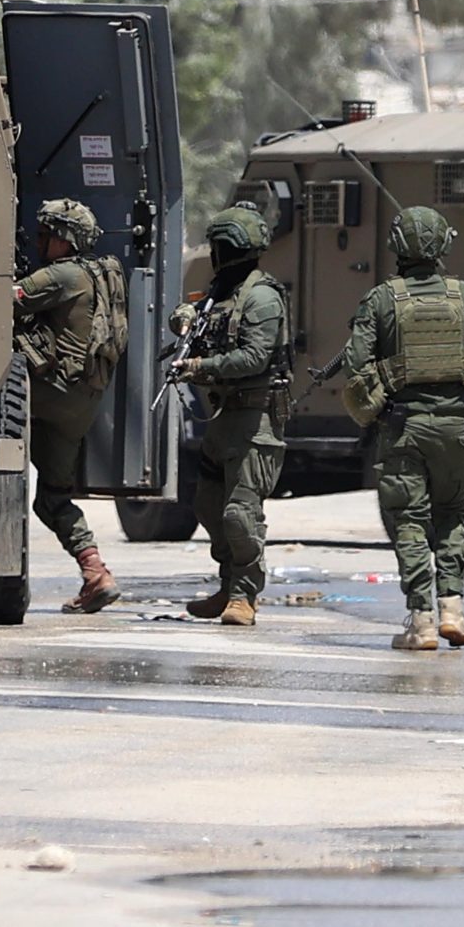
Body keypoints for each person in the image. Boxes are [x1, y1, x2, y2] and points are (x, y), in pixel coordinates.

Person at [343, 207, 464, 651]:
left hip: (404, 427)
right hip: (456, 426)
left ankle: (421, 621)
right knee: (451, 516)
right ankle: (453, 610)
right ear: (443, 245)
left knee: (408, 521)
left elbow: (354, 363)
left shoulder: (382, 299)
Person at [167, 202, 290, 627]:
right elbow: (196, 316)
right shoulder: (222, 291)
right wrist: (184, 319)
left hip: (254, 421)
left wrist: (200, 367)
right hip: (222, 420)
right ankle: (227, 585)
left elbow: (255, 357)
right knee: (208, 506)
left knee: (240, 513)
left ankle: (244, 595)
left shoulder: (261, 296)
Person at [13, 198, 127, 613]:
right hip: (83, 402)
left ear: (65, 239)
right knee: (51, 498)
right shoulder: (103, 273)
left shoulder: (62, 274)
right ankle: (96, 573)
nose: (41, 241)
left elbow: (7, 300)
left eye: (46, 235)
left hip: (50, 391)